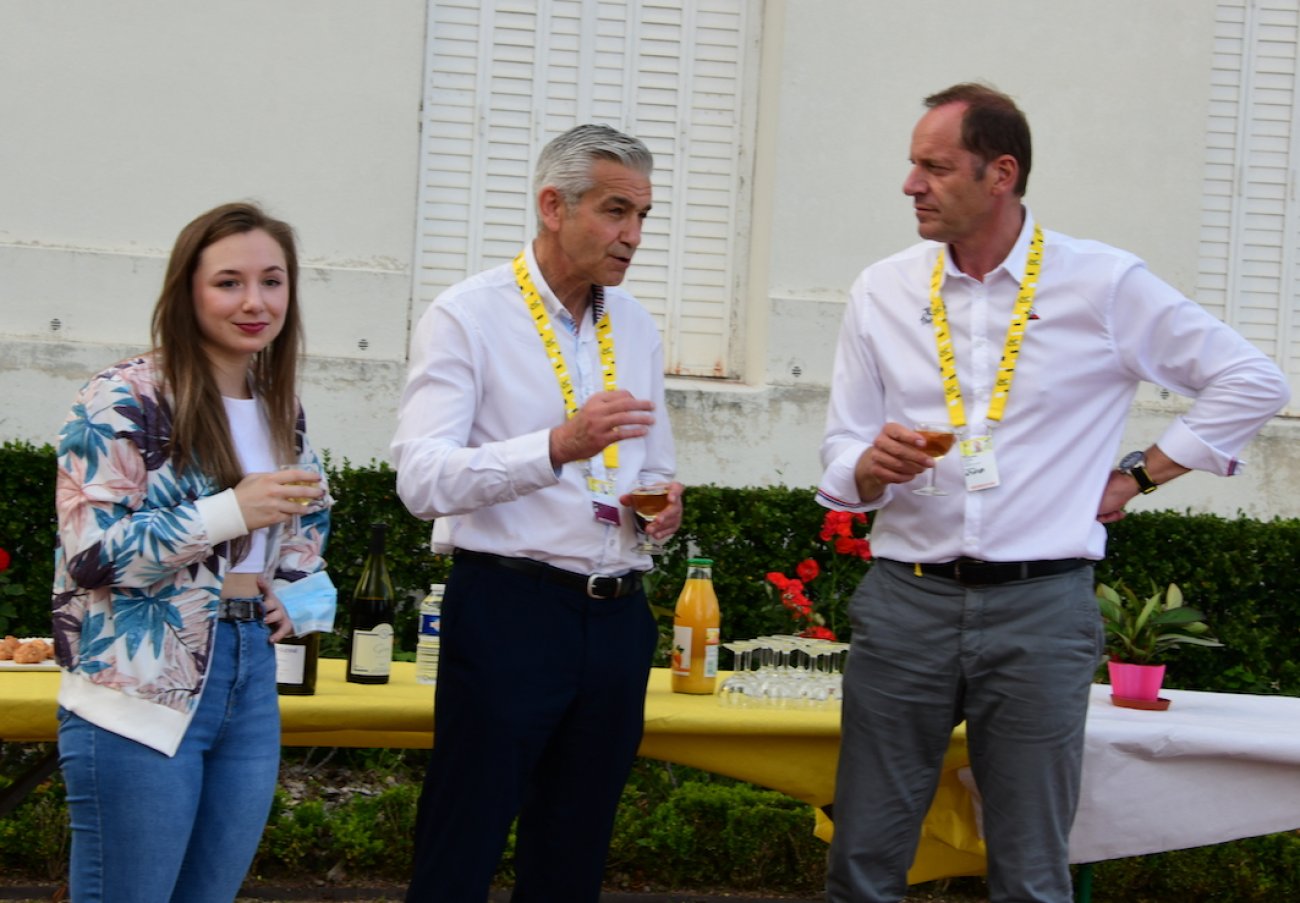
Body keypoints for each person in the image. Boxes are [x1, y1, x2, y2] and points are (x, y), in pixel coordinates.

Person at [817, 83, 1290, 903]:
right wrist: (868, 467)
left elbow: (1250, 378)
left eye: (934, 166)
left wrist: (1140, 474)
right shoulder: (881, 289)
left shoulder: (1102, 283)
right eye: (911, 165)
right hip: (906, 598)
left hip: (1041, 607)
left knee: (1032, 869)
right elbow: (838, 456)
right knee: (863, 856)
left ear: (1001, 173)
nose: (910, 185)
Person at [392, 123, 683, 902]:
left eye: (644, 217)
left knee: (574, 853)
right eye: (617, 212)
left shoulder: (639, 326)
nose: (633, 237)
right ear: (553, 205)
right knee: (464, 840)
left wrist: (663, 503)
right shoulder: (468, 316)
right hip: (510, 609)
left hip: (619, 615)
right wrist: (555, 447)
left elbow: (655, 464)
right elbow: (421, 479)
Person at [52, 201, 332, 903]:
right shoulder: (122, 396)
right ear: (188, 290)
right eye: (229, 282)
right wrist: (232, 509)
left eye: (272, 281)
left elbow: (306, 523)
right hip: (136, 688)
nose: (254, 301)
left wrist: (295, 595)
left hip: (249, 677)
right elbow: (91, 554)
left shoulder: (281, 404)